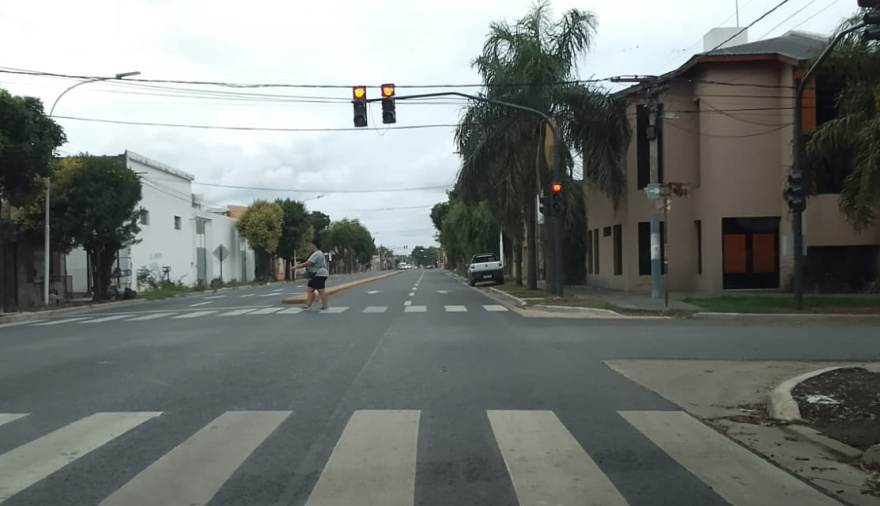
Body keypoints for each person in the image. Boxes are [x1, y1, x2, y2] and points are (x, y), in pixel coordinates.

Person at [293, 238, 329, 311]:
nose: (309, 246)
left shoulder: (317, 253)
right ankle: (309, 305)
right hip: (320, 274)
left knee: (319, 290)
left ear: (314, 245)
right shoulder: (319, 253)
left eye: (310, 245)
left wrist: (296, 267)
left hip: (318, 274)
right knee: (312, 289)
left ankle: (321, 305)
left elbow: (308, 263)